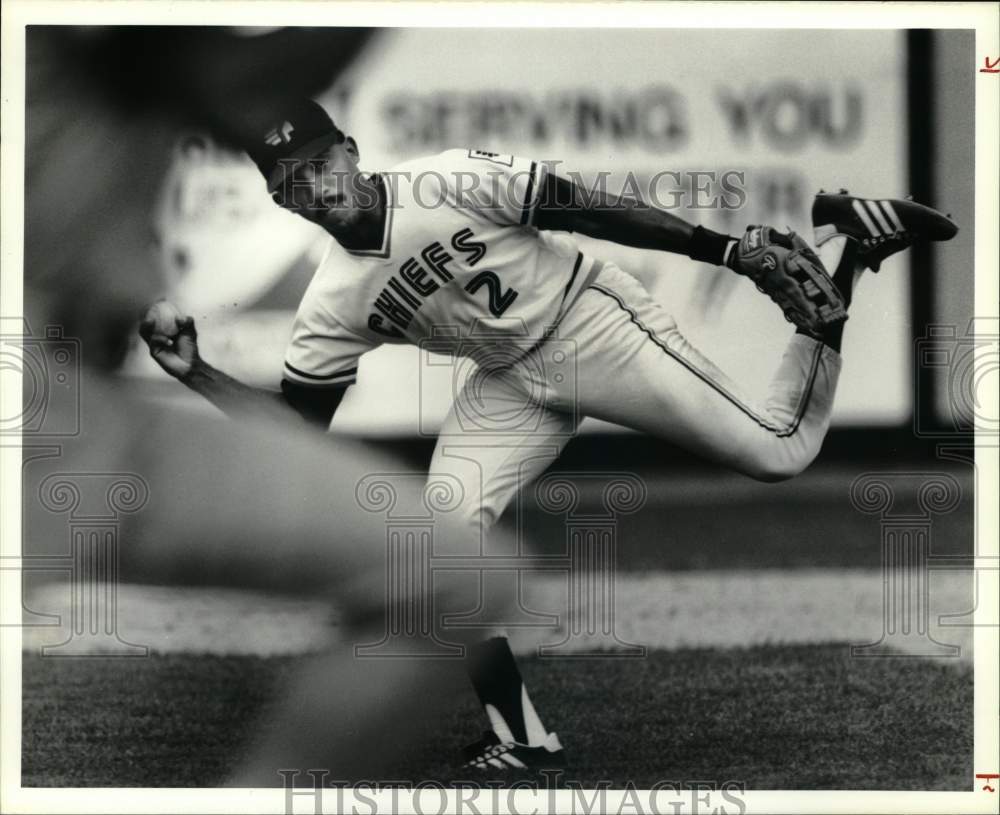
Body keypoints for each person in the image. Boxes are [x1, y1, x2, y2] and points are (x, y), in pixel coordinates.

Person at [140, 97, 958, 772]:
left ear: (350, 151)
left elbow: (589, 209)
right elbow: (297, 429)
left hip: (589, 323)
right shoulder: (333, 303)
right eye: (293, 182)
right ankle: (522, 737)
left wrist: (729, 251)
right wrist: (195, 373)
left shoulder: (446, 179)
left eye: (319, 163)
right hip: (507, 382)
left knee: (781, 452)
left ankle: (850, 245)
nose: (315, 186)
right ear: (281, 202)